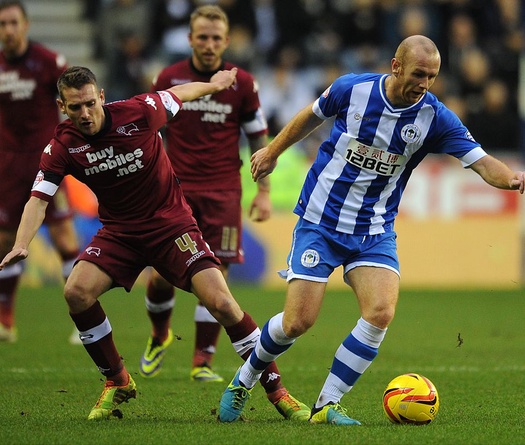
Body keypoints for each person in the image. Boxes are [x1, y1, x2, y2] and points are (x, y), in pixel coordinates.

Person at [218, 34, 525, 424]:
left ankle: (327, 403)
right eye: (418, 74)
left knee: (380, 312)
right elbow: (309, 116)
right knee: (298, 322)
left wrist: (513, 179)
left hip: (374, 229)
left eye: (432, 76)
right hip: (320, 221)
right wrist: (273, 151)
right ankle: (243, 380)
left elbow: (481, 162)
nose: (424, 83)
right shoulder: (353, 88)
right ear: (396, 66)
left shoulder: (435, 117)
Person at [0, 65, 310, 421]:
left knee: (223, 303)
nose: (84, 114)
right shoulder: (62, 146)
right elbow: (38, 199)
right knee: (76, 292)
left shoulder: (139, 111)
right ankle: (117, 380)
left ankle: (277, 392)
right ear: (61, 106)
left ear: (101, 97)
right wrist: (22, 242)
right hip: (120, 233)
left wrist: (213, 85)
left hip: (171, 227)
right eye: (74, 108)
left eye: (89, 103)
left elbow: (182, 93)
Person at [141, 5, 271, 383]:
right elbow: (149, 131)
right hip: (174, 191)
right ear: (190, 39)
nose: (210, 44)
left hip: (224, 191)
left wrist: (263, 191)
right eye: (203, 37)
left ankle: (202, 361)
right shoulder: (169, 77)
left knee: (217, 275)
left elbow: (257, 135)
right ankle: (159, 334)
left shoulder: (242, 83)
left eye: (216, 38)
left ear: (227, 41)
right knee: (163, 274)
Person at [0, 0, 80, 343]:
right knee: (5, 240)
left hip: (46, 161)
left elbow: (74, 101)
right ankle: (5, 321)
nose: (8, 30)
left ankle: (83, 316)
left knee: (64, 237)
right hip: (7, 166)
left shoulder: (49, 63)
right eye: (2, 24)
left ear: (26, 25)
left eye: (13, 23)